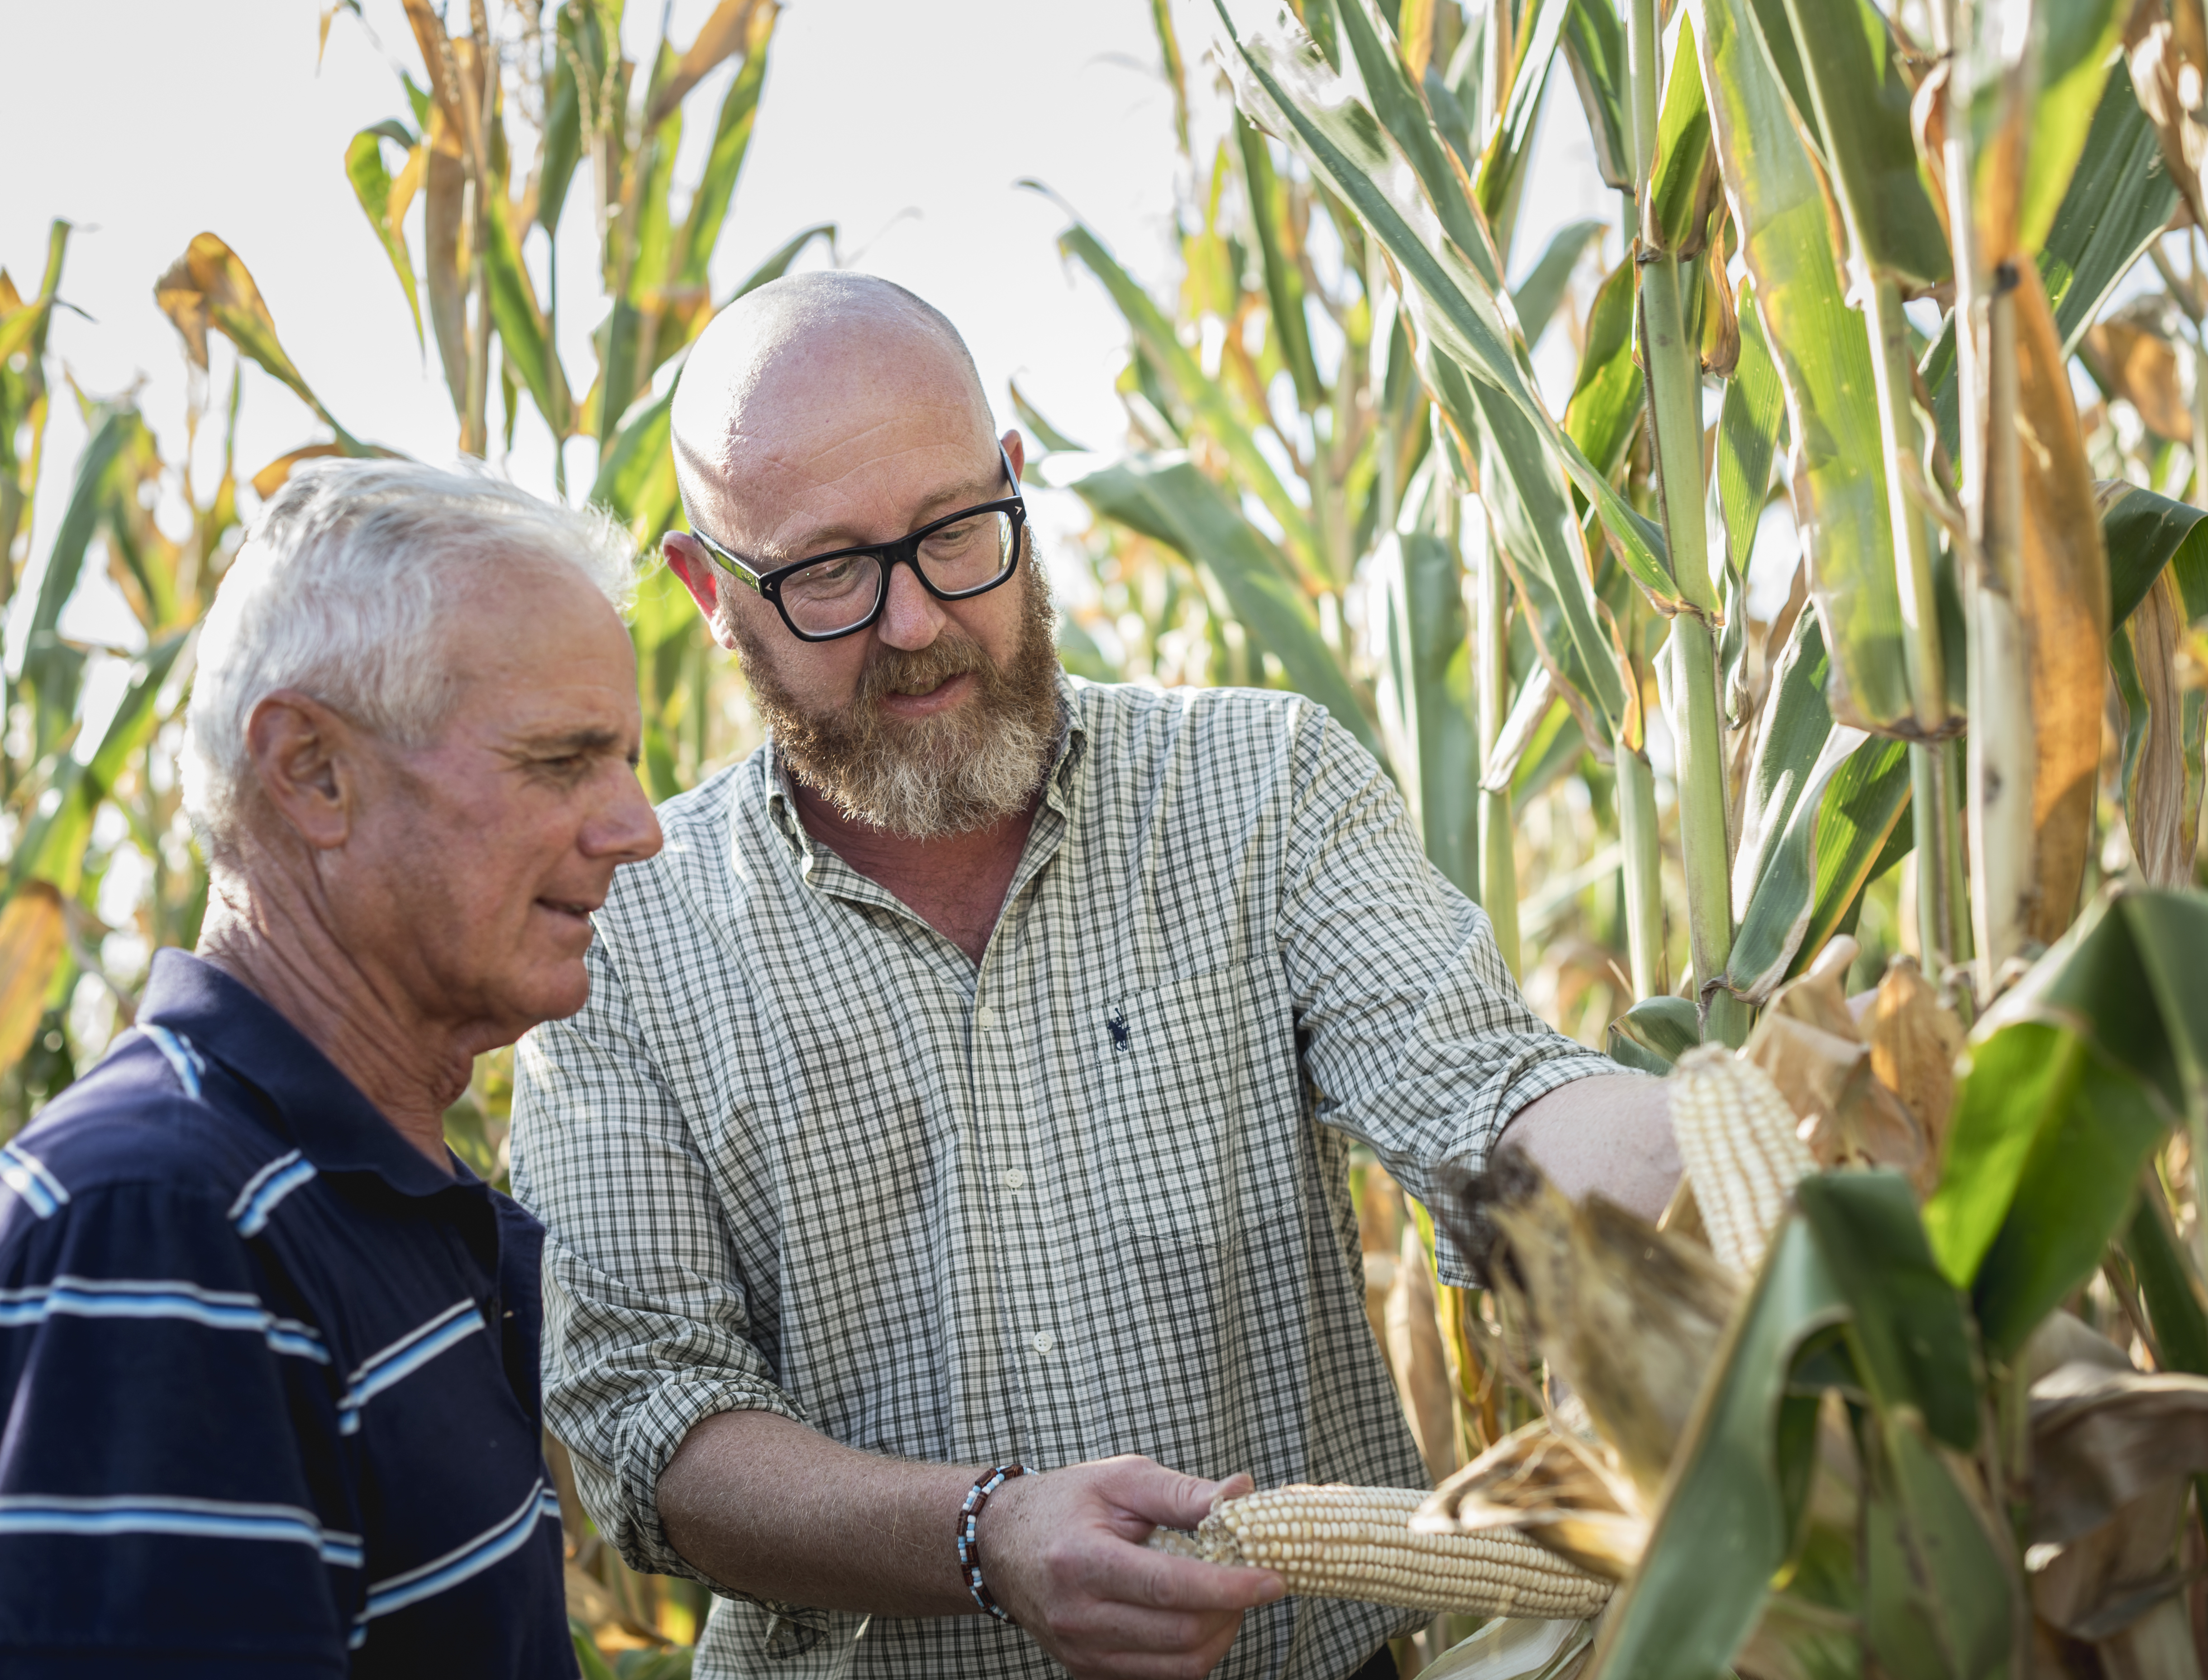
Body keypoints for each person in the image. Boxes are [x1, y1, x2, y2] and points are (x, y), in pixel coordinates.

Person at [510, 273, 1679, 1680]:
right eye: (827, 571)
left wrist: (1711, 1192)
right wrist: (980, 1535)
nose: (915, 624)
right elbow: (654, 1417)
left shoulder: (1264, 789)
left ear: (1014, 488)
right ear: (711, 590)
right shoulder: (629, 932)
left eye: (958, 534)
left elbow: (1489, 1105)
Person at [0, 461, 665, 1677]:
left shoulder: (347, 1193)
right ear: (313, 772)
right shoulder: (155, 1228)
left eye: (628, 760)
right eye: (562, 763)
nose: (639, 826)